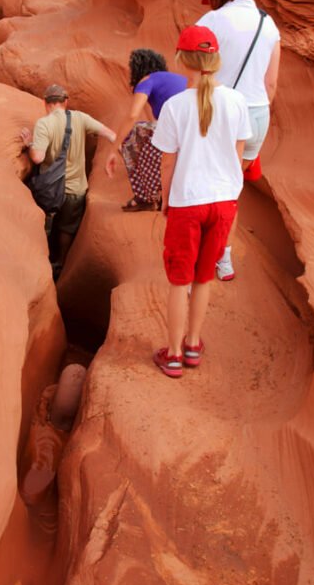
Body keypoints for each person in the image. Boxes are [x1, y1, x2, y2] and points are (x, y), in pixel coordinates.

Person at [151, 25, 252, 378]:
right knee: (204, 277)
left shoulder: (175, 107)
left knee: (180, 280)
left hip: (189, 201)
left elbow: (167, 161)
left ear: (183, 59)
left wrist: (165, 200)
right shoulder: (237, 100)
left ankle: (174, 353)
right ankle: (193, 343)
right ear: (216, 59)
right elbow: (240, 153)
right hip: (224, 201)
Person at [196, 0, 280, 280]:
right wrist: (255, 113)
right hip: (257, 115)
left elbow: (199, 71)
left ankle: (210, 254)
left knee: (209, 186)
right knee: (232, 188)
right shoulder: (268, 24)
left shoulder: (213, 20)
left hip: (221, 112)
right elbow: (271, 83)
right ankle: (225, 258)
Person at [21, 84, 115, 277]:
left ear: (45, 103)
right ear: (66, 102)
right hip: (76, 190)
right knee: (67, 227)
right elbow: (110, 134)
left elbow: (37, 158)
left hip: (50, 190)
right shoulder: (80, 118)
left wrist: (29, 143)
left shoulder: (44, 124)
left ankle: (41, 263)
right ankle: (61, 262)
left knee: (44, 225)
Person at [105, 49, 186, 211]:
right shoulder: (176, 79)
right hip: (194, 132)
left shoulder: (147, 81)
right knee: (154, 141)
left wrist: (114, 149)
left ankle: (146, 197)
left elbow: (132, 115)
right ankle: (165, 192)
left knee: (134, 134)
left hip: (179, 132)